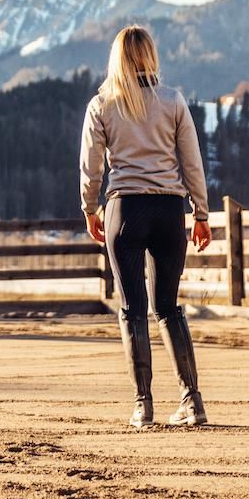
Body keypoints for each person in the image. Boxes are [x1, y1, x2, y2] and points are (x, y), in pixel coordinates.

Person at [78, 25, 212, 429]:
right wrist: (201, 213)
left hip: (126, 210)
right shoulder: (173, 101)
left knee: (133, 310)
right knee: (169, 308)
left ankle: (144, 405)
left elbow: (91, 167)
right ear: (150, 55)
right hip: (170, 210)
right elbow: (192, 162)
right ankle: (192, 402)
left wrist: (89, 209)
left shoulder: (102, 104)